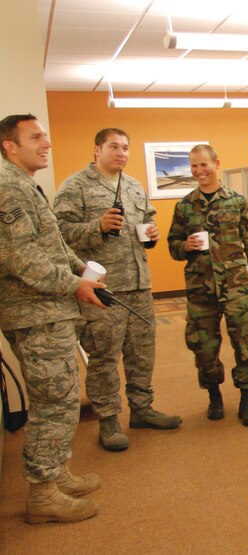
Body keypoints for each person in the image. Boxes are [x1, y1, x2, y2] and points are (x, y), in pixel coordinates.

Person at [0, 114, 107, 523]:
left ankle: (56, 472)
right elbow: (21, 258)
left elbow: (52, 245)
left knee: (60, 396)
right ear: (10, 145)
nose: (46, 142)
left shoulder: (25, 184)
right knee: (53, 401)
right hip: (34, 313)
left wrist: (80, 269)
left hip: (48, 308)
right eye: (36, 137)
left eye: (45, 134)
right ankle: (43, 494)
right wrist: (73, 285)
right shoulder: (8, 187)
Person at [54, 128, 182, 452]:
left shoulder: (134, 185)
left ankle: (142, 409)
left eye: (125, 147)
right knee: (104, 356)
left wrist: (151, 233)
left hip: (139, 284)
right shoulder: (76, 186)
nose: (121, 153)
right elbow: (59, 235)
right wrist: (96, 226)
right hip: (103, 289)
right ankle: (108, 419)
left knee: (142, 354)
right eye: (114, 146)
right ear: (97, 150)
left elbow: (148, 222)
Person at [167, 144, 248, 426]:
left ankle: (247, 402)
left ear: (216, 164)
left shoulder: (238, 202)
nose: (199, 171)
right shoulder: (185, 206)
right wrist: (183, 245)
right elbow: (172, 247)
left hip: (235, 287)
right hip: (200, 290)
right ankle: (214, 398)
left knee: (244, 345)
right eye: (194, 166)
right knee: (204, 348)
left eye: (204, 165)